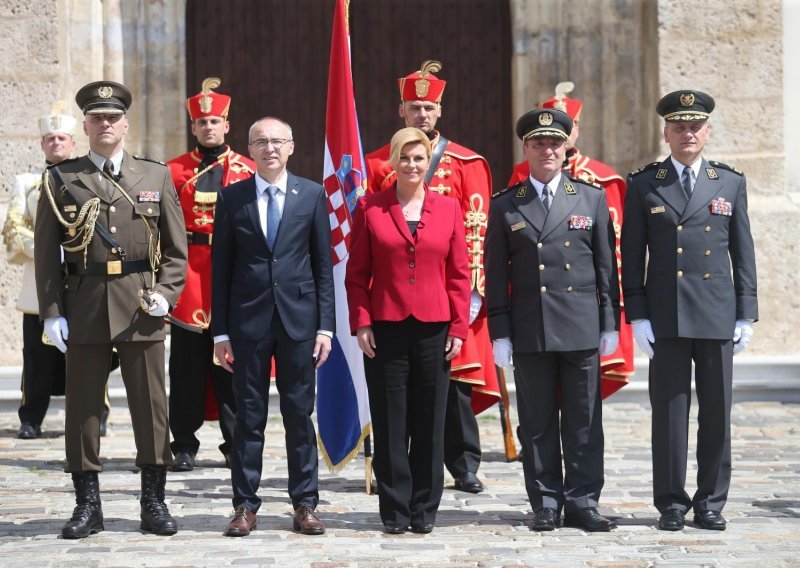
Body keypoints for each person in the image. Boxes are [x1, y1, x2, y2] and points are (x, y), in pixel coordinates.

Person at [34, 80, 188, 539]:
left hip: (141, 303)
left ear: (125, 123)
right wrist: (50, 311)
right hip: (84, 303)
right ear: (85, 125)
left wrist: (167, 291)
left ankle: (153, 501)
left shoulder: (155, 176)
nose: (105, 123)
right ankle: (87, 505)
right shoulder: (62, 178)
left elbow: (177, 251)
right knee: (82, 408)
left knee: (151, 406)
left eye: (112, 117)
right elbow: (47, 253)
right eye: (96, 117)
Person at [621, 90, 758, 532]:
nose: (688, 134)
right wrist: (637, 314)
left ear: (708, 132)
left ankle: (712, 501)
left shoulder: (730, 182)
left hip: (716, 313)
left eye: (695, 126)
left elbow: (743, 251)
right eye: (679, 127)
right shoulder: (645, 183)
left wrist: (745, 313)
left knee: (717, 413)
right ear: (666, 133)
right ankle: (671, 502)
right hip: (667, 316)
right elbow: (632, 253)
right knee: (670, 413)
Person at [364, 60, 498, 494]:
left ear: (439, 111)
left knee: (455, 381)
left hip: (448, 293)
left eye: (429, 107)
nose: (422, 114)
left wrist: (475, 289)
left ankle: (462, 462)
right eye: (414, 106)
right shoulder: (376, 165)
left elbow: (477, 226)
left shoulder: (465, 162)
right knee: (400, 396)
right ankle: (397, 475)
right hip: (394, 299)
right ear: (401, 110)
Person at [484, 108, 619, 532]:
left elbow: (605, 268)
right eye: (538, 143)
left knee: (583, 421)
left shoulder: (591, 198)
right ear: (525, 148)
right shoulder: (507, 205)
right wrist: (500, 331)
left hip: (580, 325)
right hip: (531, 328)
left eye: (554, 143)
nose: (547, 150)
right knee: (538, 423)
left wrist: (609, 322)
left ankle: (582, 501)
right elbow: (496, 274)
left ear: (566, 149)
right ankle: (544, 501)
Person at [211, 116, 334, 537]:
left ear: (292, 146)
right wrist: (220, 332)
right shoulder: (231, 199)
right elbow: (220, 270)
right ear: (249, 149)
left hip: (299, 322)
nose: (270, 149)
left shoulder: (312, 195)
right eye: (260, 142)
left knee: (300, 415)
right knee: (248, 418)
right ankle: (244, 504)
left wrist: (326, 328)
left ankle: (305, 504)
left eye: (277, 141)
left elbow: (322, 267)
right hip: (248, 323)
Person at [346, 127, 470, 534]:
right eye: (405, 157)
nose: (412, 165)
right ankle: (395, 509)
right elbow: (357, 274)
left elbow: (458, 274)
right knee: (390, 420)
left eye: (419, 158)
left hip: (435, 330)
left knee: (431, 421)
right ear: (392, 162)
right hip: (386, 329)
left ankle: (424, 508)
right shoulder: (371, 208)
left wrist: (458, 326)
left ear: (428, 161)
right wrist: (361, 321)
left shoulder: (448, 208)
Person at [508, 82, 634, 397]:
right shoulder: (523, 176)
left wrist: (609, 310)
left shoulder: (602, 180)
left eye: (570, 125)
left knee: (582, 398)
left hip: (581, 304)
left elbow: (612, 250)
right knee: (537, 394)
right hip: (537, 301)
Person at [2, 102, 114, 440]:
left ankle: (98, 413)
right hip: (43, 281)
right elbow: (13, 227)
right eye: (49, 138)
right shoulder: (27, 183)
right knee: (36, 354)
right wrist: (49, 248)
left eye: (61, 138)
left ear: (72, 142)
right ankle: (31, 417)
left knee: (94, 350)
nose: (55, 143)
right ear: (42, 144)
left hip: (84, 278)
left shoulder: (89, 178)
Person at [167, 77, 255, 472]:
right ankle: (183, 442)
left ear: (227, 125)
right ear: (193, 127)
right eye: (201, 123)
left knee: (231, 364)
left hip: (233, 272)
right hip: (188, 270)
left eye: (214, 121)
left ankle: (235, 443)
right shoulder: (172, 170)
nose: (208, 128)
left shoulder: (247, 169)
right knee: (185, 365)